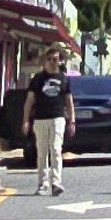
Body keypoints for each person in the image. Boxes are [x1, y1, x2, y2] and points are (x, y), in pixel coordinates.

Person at [24, 68, 69, 196]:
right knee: (42, 151)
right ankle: (42, 183)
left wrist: (72, 120)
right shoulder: (38, 79)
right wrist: (25, 120)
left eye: (55, 59)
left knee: (56, 149)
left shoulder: (64, 79)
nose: (52, 62)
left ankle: (56, 182)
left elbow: (69, 99)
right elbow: (29, 100)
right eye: (49, 59)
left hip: (58, 118)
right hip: (40, 119)